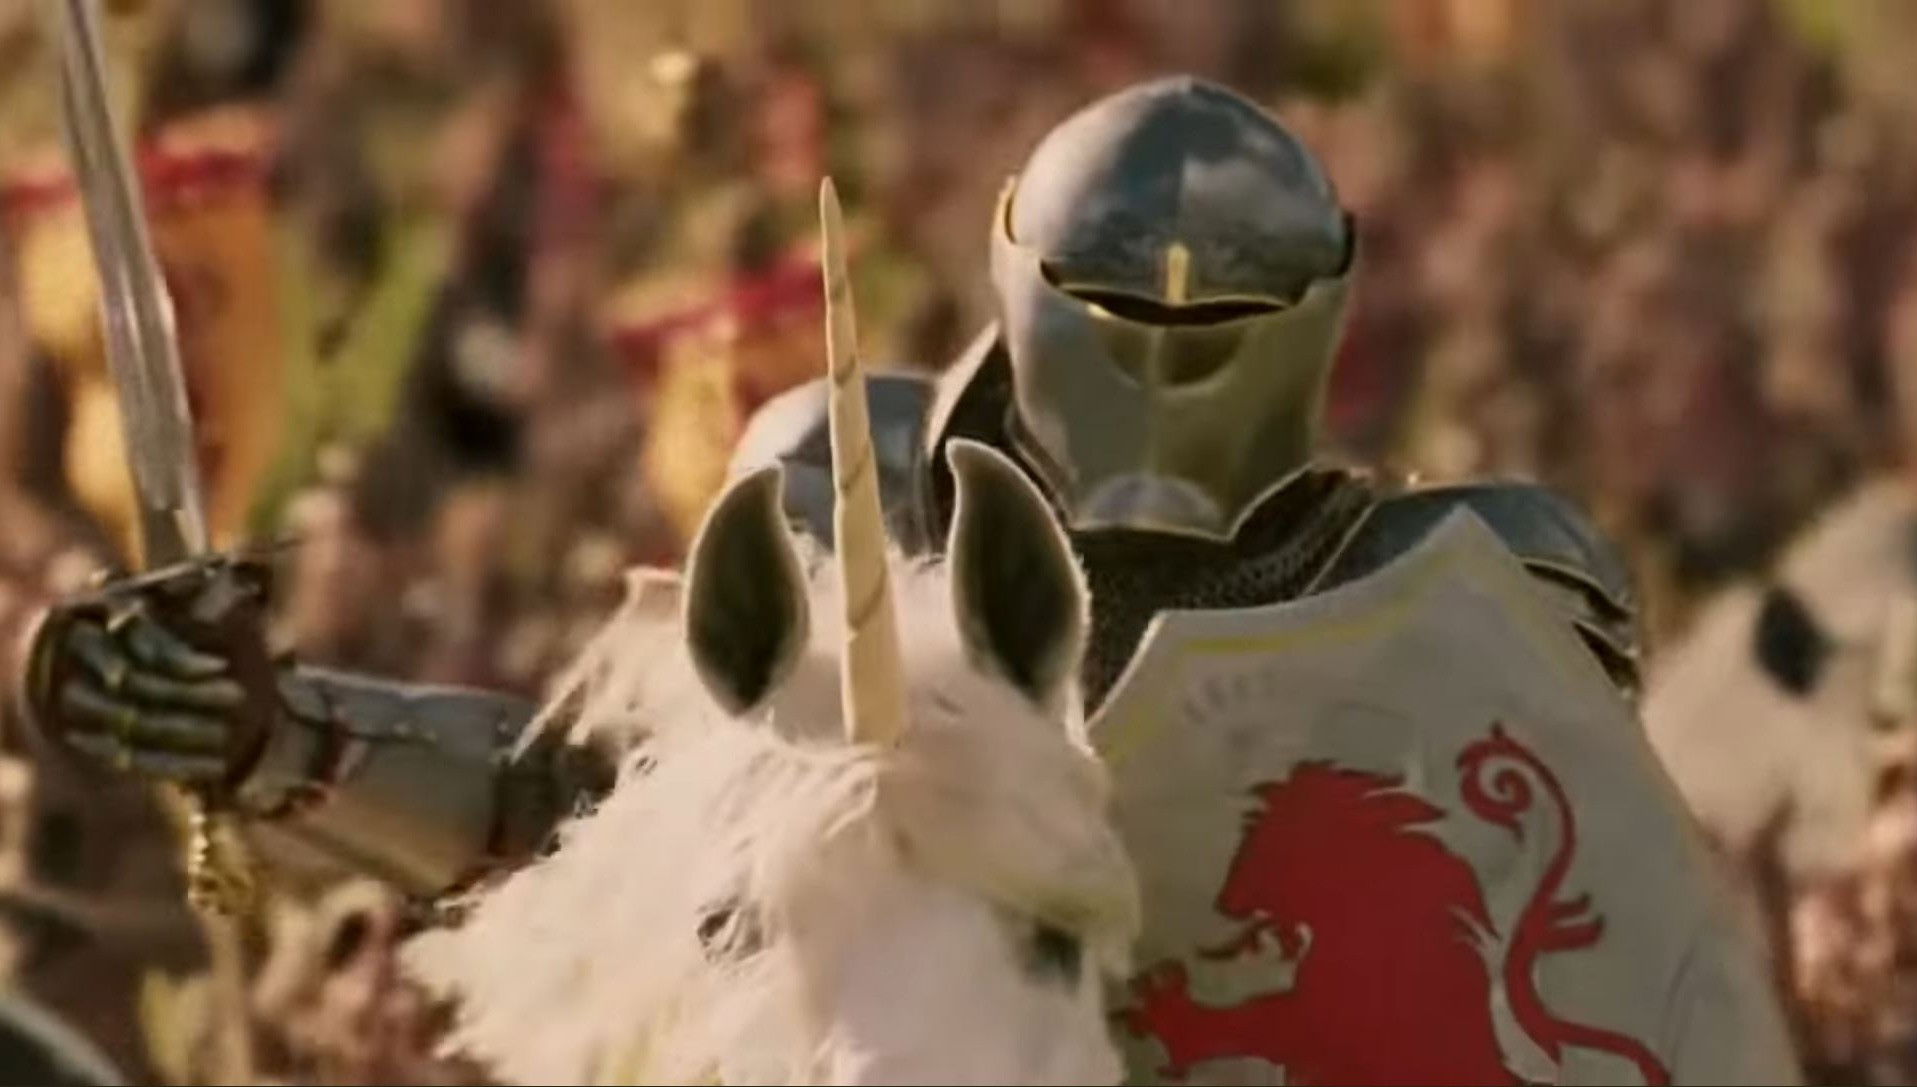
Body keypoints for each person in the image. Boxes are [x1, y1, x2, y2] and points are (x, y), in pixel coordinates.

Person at [16, 77, 1795, 1082]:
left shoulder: (1462, 595)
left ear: (1319, 311)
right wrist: (280, 735)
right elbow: (586, 816)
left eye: (1224, 317)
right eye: (1119, 306)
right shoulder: (849, 512)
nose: (1164, 355)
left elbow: (1582, 968)